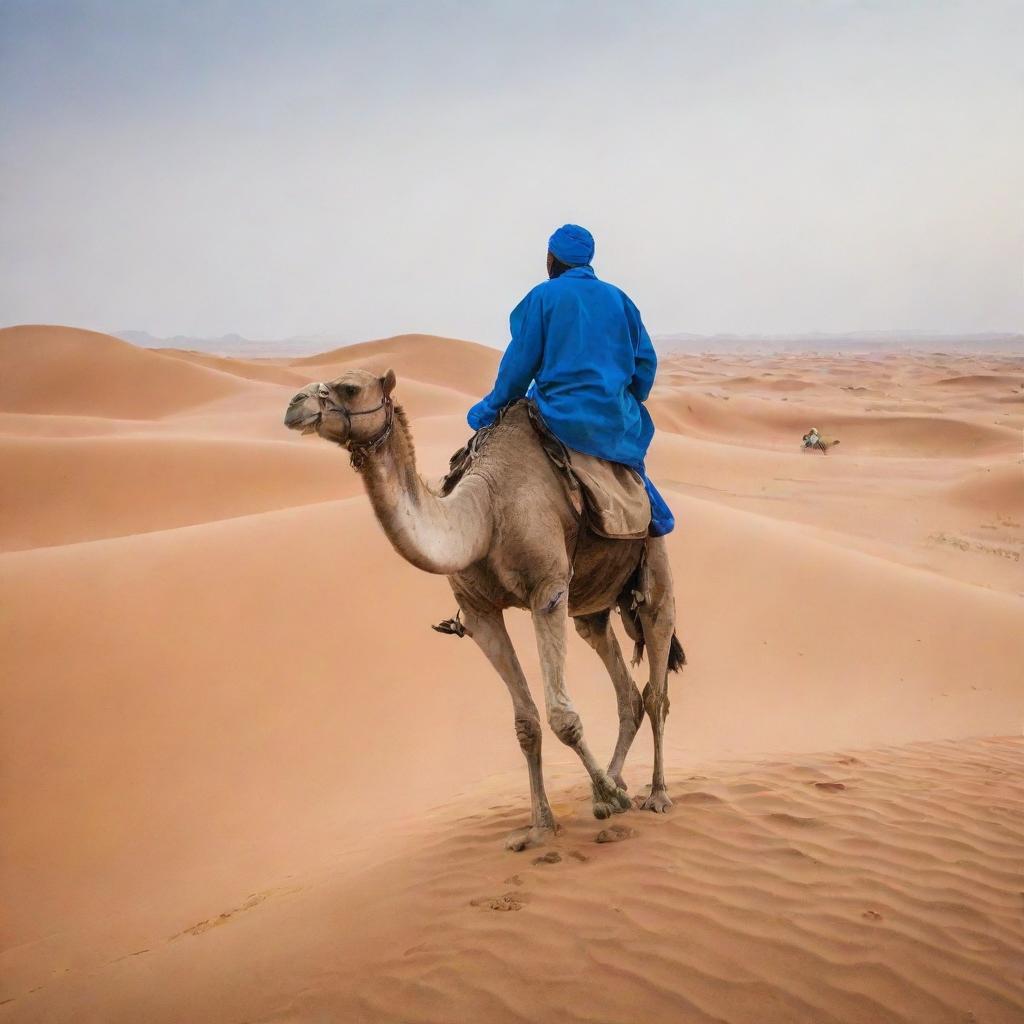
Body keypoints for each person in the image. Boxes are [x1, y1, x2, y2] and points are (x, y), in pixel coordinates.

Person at [467, 224, 674, 536]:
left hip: (558, 416)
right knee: (633, 469)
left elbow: (518, 367)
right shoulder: (620, 299)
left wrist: (487, 410)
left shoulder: (543, 297)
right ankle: (657, 519)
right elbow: (645, 365)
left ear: (552, 259)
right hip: (614, 420)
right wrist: (624, 399)